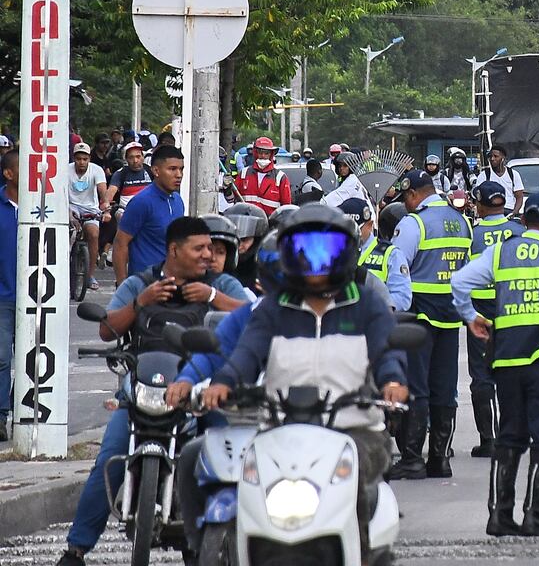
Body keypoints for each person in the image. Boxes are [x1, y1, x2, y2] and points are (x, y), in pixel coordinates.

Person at [200, 204, 408, 562]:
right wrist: (224, 382)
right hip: (279, 430)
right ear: (287, 255)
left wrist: (392, 382)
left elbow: (387, 351)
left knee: (354, 477)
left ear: (346, 254)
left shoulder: (367, 304)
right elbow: (247, 353)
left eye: (326, 251)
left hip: (354, 431)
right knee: (244, 479)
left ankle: (356, 553)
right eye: (304, 252)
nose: (316, 263)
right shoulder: (273, 309)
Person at [57, 218, 248, 566]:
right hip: (143, 389)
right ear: (174, 250)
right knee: (110, 456)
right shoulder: (140, 283)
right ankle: (76, 550)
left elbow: (256, 319)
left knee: (228, 456)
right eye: (200, 248)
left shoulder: (222, 284)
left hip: (200, 394)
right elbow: (105, 331)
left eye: (211, 249)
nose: (209, 255)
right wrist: (140, 303)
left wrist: (213, 297)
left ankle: (222, 541)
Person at [452, 191, 539, 537]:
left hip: (507, 359)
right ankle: (535, 516)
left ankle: (500, 516)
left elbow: (460, 282)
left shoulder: (500, 253)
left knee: (511, 435)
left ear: (524, 220)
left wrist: (472, 317)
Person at [166, 229, 284, 562]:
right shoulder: (245, 317)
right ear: (262, 281)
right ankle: (195, 542)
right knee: (191, 457)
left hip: (296, 429)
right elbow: (212, 355)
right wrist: (187, 381)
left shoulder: (321, 319)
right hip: (242, 427)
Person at [390, 169, 473, 479]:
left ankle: (412, 458)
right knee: (445, 387)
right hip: (451, 314)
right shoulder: (461, 222)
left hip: (419, 314)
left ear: (413, 194)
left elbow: (400, 270)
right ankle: (440, 459)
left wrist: (394, 308)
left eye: (406, 199)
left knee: (417, 385)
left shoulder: (414, 224)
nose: (405, 205)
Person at [462, 181, 525, 459]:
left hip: (481, 310)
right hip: (513, 308)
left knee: (482, 375)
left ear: (482, 205)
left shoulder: (472, 235)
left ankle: (488, 439)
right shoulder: (519, 232)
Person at [114, 144, 185, 282]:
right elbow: (120, 244)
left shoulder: (178, 201)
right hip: (144, 285)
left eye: (181, 169)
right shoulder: (141, 202)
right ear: (156, 171)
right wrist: (123, 286)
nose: (179, 175)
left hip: (171, 284)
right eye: (172, 169)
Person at [347, 198, 411, 312]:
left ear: (370, 225)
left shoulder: (390, 254)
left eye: (357, 229)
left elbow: (402, 298)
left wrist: (372, 305)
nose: (351, 235)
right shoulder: (335, 252)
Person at [69, 143, 110, 291]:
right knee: (68, 236)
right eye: (79, 159)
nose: (81, 162)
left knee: (93, 234)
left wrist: (105, 208)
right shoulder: (65, 171)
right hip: (70, 207)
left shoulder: (96, 170)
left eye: (85, 159)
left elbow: (103, 192)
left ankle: (90, 275)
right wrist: (68, 213)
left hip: (90, 209)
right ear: (74, 158)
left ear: (89, 159)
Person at [0, 152, 18, 441]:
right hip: (3, 296)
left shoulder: (43, 205)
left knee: (36, 359)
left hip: (39, 297)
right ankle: (1, 416)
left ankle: (20, 407)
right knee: (2, 358)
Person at [233, 136, 292, 216]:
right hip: (246, 223)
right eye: (260, 152)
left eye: (266, 153)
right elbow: (231, 199)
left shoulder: (280, 177)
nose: (263, 156)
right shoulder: (244, 174)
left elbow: (286, 208)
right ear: (255, 153)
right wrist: (227, 189)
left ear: (271, 155)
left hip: (271, 224)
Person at [223, 202, 269, 294]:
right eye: (234, 238)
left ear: (257, 240)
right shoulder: (218, 263)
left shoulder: (264, 273)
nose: (239, 245)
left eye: (244, 240)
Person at [476, 145, 525, 213]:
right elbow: (478, 196)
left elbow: (519, 197)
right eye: (490, 156)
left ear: (503, 158)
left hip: (509, 210)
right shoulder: (484, 175)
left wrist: (515, 212)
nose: (492, 159)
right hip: (491, 212)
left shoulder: (513, 174)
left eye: (496, 156)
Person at [199, 213, 241, 279]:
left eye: (220, 252)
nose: (213, 258)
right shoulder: (178, 285)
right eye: (208, 250)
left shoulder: (236, 288)